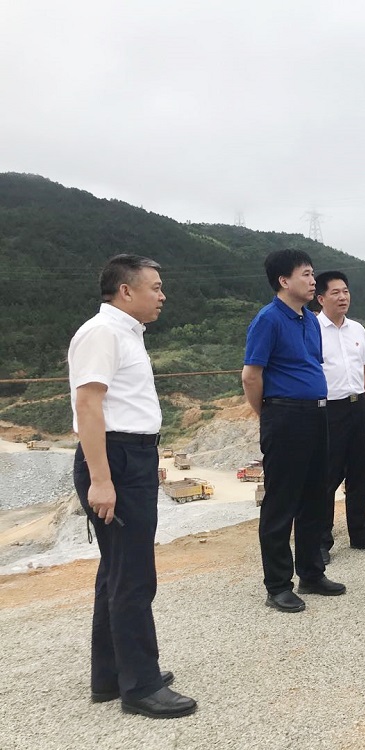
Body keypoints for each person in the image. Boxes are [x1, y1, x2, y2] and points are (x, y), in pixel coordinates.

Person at [69, 254, 197, 718]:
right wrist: (102, 480)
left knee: (117, 571)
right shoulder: (102, 333)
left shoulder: (126, 333)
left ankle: (111, 675)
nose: (162, 295)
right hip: (117, 459)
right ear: (126, 291)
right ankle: (141, 686)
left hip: (131, 456)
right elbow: (88, 405)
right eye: (155, 287)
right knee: (134, 576)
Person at [242, 249, 344, 613]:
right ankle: (278, 585)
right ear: (284, 281)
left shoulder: (309, 320)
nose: (313, 280)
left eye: (313, 274)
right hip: (285, 416)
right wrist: (269, 414)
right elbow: (251, 376)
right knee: (281, 502)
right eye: (306, 274)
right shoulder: (268, 319)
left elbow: (311, 365)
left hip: (317, 414)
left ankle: (312, 573)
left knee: (316, 496)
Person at [314, 270, 365, 562]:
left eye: (345, 291)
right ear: (321, 298)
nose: (343, 297)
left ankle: (360, 533)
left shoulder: (357, 329)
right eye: (335, 292)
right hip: (328, 410)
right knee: (327, 475)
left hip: (357, 406)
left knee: (359, 472)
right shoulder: (312, 330)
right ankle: (321, 540)